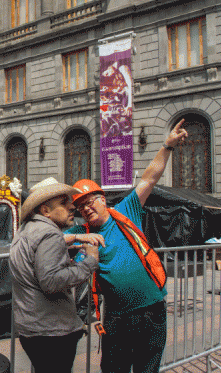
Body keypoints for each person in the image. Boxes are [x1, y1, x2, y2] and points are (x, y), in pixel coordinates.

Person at [65, 119, 188, 373]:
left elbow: (149, 178)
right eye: (81, 206)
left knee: (147, 368)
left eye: (91, 201)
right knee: (114, 369)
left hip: (153, 310)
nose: (87, 208)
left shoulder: (126, 211)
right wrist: (77, 238)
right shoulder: (82, 231)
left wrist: (167, 145)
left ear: (103, 199)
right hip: (117, 319)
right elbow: (49, 239)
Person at [10, 177, 103, 373]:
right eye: (64, 202)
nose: (72, 207)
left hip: (32, 327)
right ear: (45, 210)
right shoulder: (49, 234)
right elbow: (52, 281)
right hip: (52, 331)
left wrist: (73, 240)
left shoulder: (27, 229)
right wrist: (90, 261)